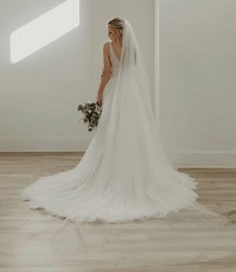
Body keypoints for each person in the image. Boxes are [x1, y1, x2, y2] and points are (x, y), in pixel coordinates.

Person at [21, 17, 201, 222]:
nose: (108, 34)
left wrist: (99, 94)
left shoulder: (107, 47)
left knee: (111, 131)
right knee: (132, 132)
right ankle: (137, 175)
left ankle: (109, 176)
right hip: (131, 94)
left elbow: (107, 73)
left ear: (118, 31)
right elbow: (132, 71)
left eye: (110, 31)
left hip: (115, 90)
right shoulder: (131, 48)